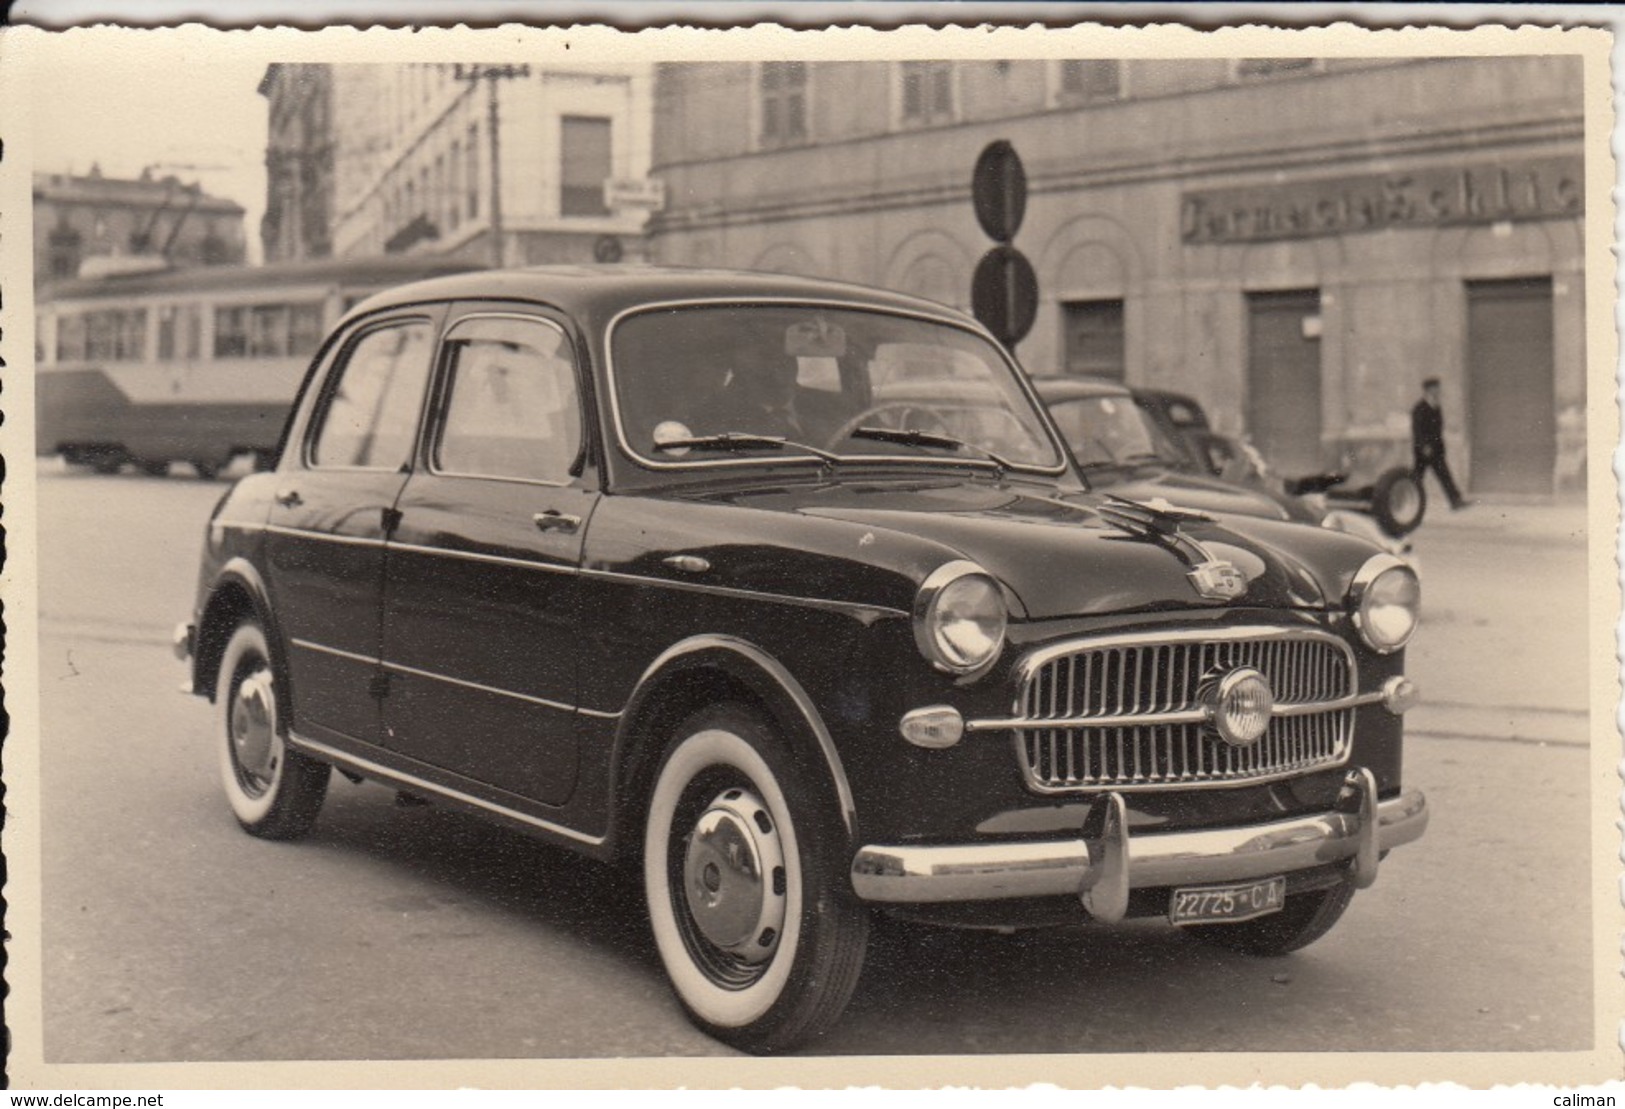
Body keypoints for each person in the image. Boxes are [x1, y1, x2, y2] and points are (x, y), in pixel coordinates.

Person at [1411, 377, 1470, 510]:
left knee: (1442, 475)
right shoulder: (1419, 408)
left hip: (1436, 449)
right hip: (1424, 450)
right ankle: (1408, 499)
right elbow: (1417, 430)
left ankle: (1455, 501)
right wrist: (1424, 446)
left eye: (1438, 388)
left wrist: (1440, 446)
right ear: (1427, 390)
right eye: (1435, 388)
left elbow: (1438, 429)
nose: (1438, 391)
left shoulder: (1437, 407)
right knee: (1418, 477)